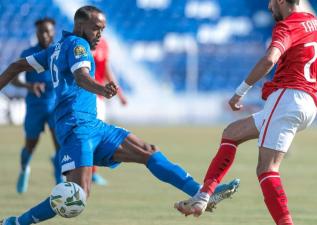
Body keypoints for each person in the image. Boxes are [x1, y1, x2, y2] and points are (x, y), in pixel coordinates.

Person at [0, 6, 238, 225]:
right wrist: (101, 89)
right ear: (81, 26)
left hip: (91, 125)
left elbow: (15, 67)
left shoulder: (54, 49)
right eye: (96, 28)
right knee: (76, 196)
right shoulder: (78, 46)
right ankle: (17, 222)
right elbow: (82, 77)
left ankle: (201, 194)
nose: (100, 34)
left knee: (147, 150)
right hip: (76, 128)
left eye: (103, 29)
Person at [174, 0, 317, 224]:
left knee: (267, 169)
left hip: (288, 98)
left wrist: (240, 91)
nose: (268, 6)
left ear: (282, 1)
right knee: (232, 133)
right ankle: (203, 196)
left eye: (272, 1)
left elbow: (269, 60)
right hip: (308, 104)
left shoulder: (287, 26)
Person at [11, 17, 63, 193]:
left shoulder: (60, 51)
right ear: (36, 33)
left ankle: (59, 181)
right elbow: (15, 79)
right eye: (41, 31)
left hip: (56, 105)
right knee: (30, 145)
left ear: (53, 32)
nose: (45, 34)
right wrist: (29, 86)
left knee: (60, 144)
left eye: (48, 31)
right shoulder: (28, 53)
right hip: (35, 106)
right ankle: (24, 168)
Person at [90, 37, 128, 185]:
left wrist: (120, 95)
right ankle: (68, 165)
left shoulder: (104, 43)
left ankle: (92, 172)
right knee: (85, 135)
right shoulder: (81, 42)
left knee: (94, 136)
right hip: (83, 96)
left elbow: (106, 70)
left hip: (99, 97)